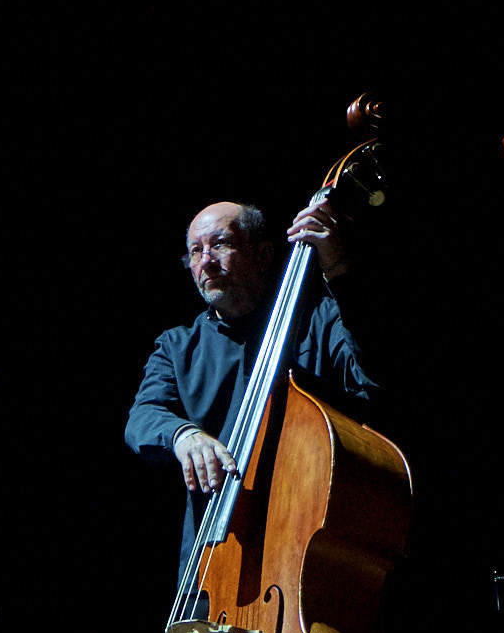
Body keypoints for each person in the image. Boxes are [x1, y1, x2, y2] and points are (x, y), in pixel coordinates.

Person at [124, 193, 388, 572]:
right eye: (195, 251)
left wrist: (340, 271)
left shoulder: (319, 320)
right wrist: (184, 436)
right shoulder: (177, 346)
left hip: (306, 557)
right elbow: (143, 416)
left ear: (263, 255)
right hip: (213, 564)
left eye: (220, 244)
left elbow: (374, 383)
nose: (206, 262)